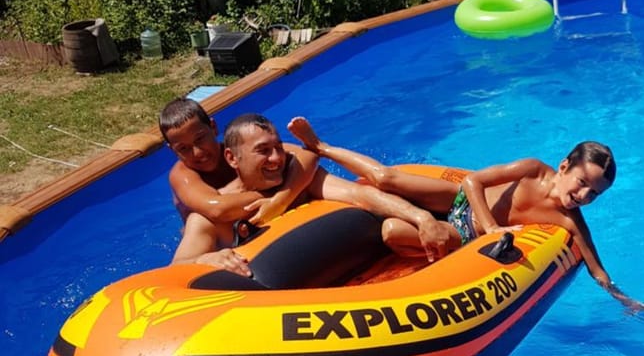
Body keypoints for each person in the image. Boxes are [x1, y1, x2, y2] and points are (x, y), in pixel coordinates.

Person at [287, 116, 644, 313]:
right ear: (563, 166)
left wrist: (625, 300)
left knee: (392, 231)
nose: (583, 196)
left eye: (595, 194)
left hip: (463, 235)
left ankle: (420, 230)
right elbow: (473, 182)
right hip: (463, 201)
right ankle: (320, 146)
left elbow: (595, 267)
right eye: (581, 184)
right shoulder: (531, 169)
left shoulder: (569, 221)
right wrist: (494, 225)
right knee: (386, 177)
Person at [172, 113, 460, 273]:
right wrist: (205, 259)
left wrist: (422, 218)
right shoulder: (209, 219)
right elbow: (176, 269)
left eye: (278, 148)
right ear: (232, 159)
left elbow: (363, 196)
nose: (276, 159)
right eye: (263, 151)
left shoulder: (299, 179)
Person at [160, 97, 314, 230]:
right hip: (217, 239)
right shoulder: (182, 175)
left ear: (213, 127)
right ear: (172, 149)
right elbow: (218, 210)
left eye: (200, 139)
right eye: (183, 148)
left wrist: (282, 198)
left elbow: (306, 155)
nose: (197, 152)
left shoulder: (238, 151)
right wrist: (278, 193)